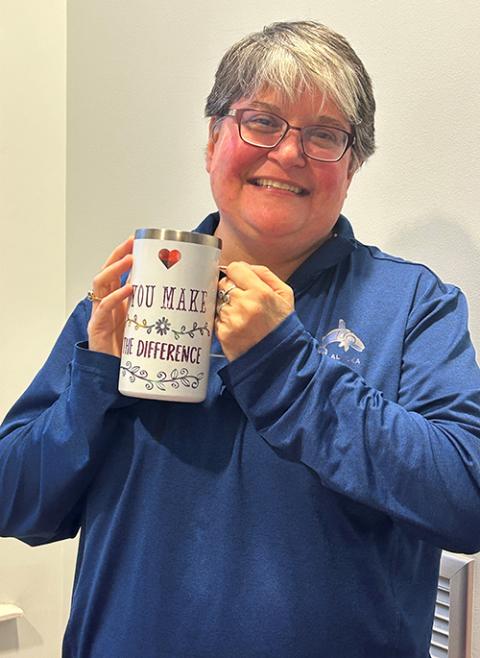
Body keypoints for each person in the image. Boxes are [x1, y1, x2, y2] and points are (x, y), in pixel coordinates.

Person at [1, 20, 480, 658]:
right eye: (260, 121)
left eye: (325, 135)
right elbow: (16, 501)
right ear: (212, 141)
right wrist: (93, 381)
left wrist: (287, 366)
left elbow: (464, 498)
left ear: (353, 165)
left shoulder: (415, 304)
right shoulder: (133, 293)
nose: (288, 152)